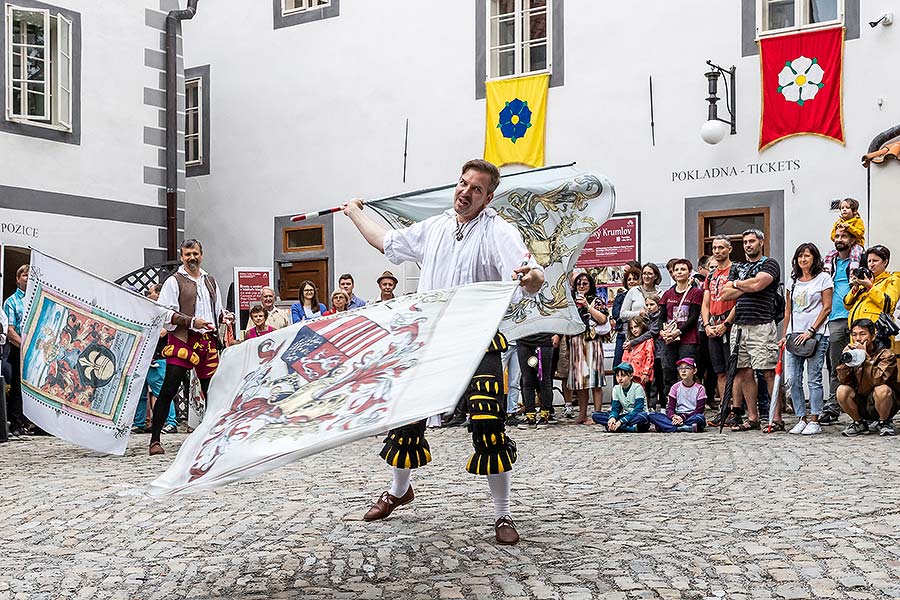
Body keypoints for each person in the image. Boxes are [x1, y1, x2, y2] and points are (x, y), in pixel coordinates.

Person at [341, 158, 544, 545]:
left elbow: (531, 276)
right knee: (407, 417)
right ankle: (399, 491)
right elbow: (387, 243)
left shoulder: (499, 232)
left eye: (477, 189)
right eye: (463, 184)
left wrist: (531, 275)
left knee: (488, 424)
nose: (466, 192)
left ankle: (503, 514)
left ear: (488, 198)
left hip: (478, 338)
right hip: (431, 338)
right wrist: (353, 213)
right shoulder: (435, 227)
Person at [149, 239, 233, 455]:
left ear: (201, 255)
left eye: (195, 254)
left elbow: (217, 309)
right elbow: (164, 313)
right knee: (169, 389)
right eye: (187, 255)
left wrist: (224, 316)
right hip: (183, 340)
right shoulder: (173, 281)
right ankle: (155, 440)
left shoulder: (210, 281)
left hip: (207, 342)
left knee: (212, 392)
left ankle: (216, 436)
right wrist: (191, 321)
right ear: (182, 256)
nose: (192, 258)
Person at [719, 229, 782, 432]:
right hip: (740, 325)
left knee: (768, 372)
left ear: (761, 242)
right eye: (745, 241)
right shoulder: (738, 266)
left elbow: (758, 284)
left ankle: (776, 418)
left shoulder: (769, 264)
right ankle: (752, 417)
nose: (748, 245)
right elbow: (725, 294)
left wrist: (739, 284)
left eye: (752, 241)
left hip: (761, 324)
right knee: (744, 371)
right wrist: (746, 285)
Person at [780, 243, 833, 435]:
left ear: (815, 258)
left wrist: (811, 330)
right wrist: (785, 334)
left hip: (816, 334)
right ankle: (801, 417)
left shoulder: (823, 279)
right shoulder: (793, 280)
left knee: (814, 378)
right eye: (800, 256)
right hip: (795, 334)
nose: (803, 259)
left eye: (807, 256)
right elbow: (788, 309)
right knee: (793, 378)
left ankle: (815, 419)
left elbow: (827, 307)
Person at [836, 319, 900, 436]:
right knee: (842, 390)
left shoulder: (886, 355)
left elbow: (878, 379)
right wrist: (845, 361)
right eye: (854, 335)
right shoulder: (853, 352)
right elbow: (843, 380)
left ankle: (884, 422)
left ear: (873, 336)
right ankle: (859, 423)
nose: (858, 339)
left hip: (884, 402)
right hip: (862, 401)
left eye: (862, 334)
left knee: (882, 390)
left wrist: (866, 359)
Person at [822, 226, 857, 424]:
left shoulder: (859, 260)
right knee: (837, 365)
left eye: (844, 236)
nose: (840, 238)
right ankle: (833, 407)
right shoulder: (829, 262)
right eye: (837, 235)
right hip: (835, 318)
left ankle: (859, 407)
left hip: (856, 318)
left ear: (852, 240)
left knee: (860, 363)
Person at [133, 283, 178, 435]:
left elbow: (162, 332)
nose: (147, 294)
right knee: (140, 393)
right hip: (144, 359)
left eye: (149, 292)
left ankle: (171, 422)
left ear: (158, 294)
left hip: (158, 358)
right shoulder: (148, 312)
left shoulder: (163, 312)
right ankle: (139, 423)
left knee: (162, 392)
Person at [657, 258, 703, 398]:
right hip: (669, 339)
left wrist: (679, 331)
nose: (679, 272)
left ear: (689, 272)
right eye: (676, 270)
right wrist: (662, 331)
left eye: (683, 269)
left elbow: (693, 317)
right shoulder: (667, 294)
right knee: (669, 370)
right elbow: (661, 317)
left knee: (686, 371)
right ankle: (669, 403)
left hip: (688, 339)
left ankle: (689, 402)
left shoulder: (695, 293)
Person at [568, 272, 609, 424]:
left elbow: (603, 319)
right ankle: (582, 414)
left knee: (595, 379)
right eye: (578, 283)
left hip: (592, 342)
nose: (581, 286)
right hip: (577, 343)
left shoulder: (597, 301)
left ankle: (597, 414)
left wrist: (586, 306)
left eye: (585, 283)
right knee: (580, 380)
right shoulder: (571, 303)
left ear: (590, 285)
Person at [702, 236, 737, 412]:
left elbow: (740, 301)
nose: (717, 251)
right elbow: (706, 303)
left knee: (734, 370)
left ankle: (736, 408)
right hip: (713, 324)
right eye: (715, 248)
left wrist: (727, 323)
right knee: (719, 371)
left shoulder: (735, 271)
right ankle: (724, 409)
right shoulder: (711, 275)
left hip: (730, 324)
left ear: (729, 249)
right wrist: (707, 325)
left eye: (721, 247)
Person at [843, 245, 900, 333]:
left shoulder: (892, 279)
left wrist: (870, 287)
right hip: (857, 333)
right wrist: (855, 288)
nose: (871, 264)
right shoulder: (865, 282)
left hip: (878, 335)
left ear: (885, 262)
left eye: (875, 261)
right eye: (869, 261)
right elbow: (847, 305)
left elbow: (889, 305)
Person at [3, 264, 29, 436]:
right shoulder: (11, 302)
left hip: (37, 351)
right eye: (25, 275)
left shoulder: (34, 299)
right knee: (18, 387)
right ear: (18, 279)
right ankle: (16, 422)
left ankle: (32, 423)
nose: (27, 278)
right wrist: (25, 346)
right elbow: (10, 330)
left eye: (29, 275)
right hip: (18, 350)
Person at [648, 357, 707, 432]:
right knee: (652, 415)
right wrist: (673, 417)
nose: (683, 371)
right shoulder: (675, 387)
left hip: (691, 416)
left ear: (694, 371)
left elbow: (699, 410)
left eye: (687, 368)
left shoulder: (700, 388)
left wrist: (683, 417)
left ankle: (669, 427)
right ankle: (684, 428)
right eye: (680, 368)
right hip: (678, 415)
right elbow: (670, 408)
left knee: (699, 418)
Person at [591, 362, 650, 432]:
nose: (620, 378)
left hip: (636, 416)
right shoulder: (616, 389)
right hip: (625, 415)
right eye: (617, 376)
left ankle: (619, 427)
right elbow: (615, 408)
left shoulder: (637, 388)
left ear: (631, 376)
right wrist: (612, 417)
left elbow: (638, 410)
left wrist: (621, 421)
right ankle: (628, 428)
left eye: (623, 376)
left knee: (643, 417)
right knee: (596, 415)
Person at [515, 331, 556, 429]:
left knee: (544, 379)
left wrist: (558, 334)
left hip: (544, 341)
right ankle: (530, 415)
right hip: (523, 340)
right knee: (527, 379)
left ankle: (545, 415)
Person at [824, 198, 865, 275]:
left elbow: (860, 233)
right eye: (842, 208)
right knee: (829, 253)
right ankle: (827, 271)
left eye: (847, 208)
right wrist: (837, 227)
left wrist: (849, 227)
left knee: (855, 253)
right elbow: (832, 236)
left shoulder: (857, 221)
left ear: (854, 211)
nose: (844, 210)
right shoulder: (838, 222)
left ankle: (853, 273)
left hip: (857, 244)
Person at [611, 267, 641, 367]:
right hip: (623, 334)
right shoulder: (620, 297)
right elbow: (617, 315)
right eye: (629, 279)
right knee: (618, 364)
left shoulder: (642, 295)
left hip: (640, 335)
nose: (632, 281)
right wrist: (637, 313)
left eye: (635, 279)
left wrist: (629, 314)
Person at [621, 315, 654, 396]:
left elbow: (649, 358)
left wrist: (646, 373)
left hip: (641, 374)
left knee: (641, 394)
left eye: (636, 327)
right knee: (629, 394)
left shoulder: (648, 341)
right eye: (631, 328)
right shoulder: (629, 342)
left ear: (641, 326)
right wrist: (623, 373)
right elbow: (624, 359)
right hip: (629, 374)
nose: (634, 330)